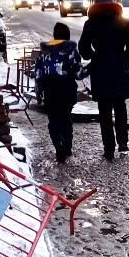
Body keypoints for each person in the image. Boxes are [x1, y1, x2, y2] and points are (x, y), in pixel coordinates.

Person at [79, 0, 129, 160]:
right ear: (112, 1)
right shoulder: (122, 21)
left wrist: (93, 56)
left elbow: (83, 48)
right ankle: (123, 144)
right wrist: (127, 59)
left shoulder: (90, 23)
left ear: (96, 2)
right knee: (120, 108)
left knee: (104, 112)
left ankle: (109, 149)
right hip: (120, 69)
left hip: (101, 70)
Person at [35, 22, 87, 163]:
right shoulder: (71, 51)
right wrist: (91, 67)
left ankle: (59, 148)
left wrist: (38, 93)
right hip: (67, 90)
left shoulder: (43, 53)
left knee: (53, 121)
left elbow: (38, 75)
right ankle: (67, 147)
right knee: (66, 119)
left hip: (50, 92)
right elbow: (79, 74)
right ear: (67, 36)